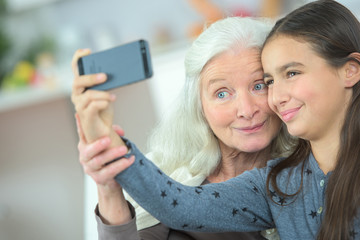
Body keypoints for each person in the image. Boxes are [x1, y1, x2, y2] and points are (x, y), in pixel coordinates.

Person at [73, 0, 360, 239]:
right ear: (199, 107)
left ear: (351, 71)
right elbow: (178, 206)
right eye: (222, 93)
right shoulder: (274, 185)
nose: (248, 108)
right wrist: (109, 151)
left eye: (260, 85)